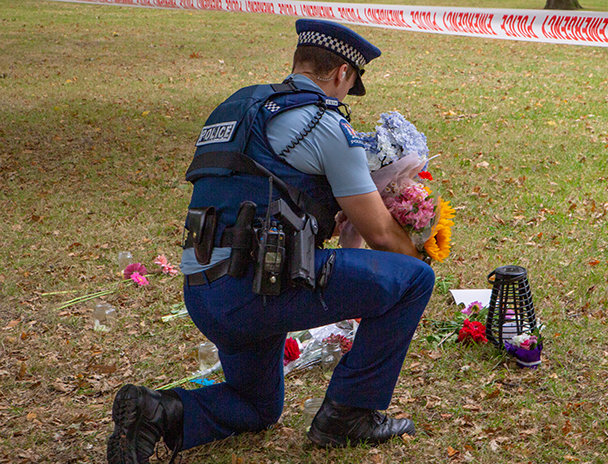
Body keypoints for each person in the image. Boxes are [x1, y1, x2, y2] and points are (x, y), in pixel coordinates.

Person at [106, 19, 435, 464]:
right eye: (350, 83)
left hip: (207, 294)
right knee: (414, 280)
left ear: (298, 62)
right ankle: (349, 414)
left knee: (257, 406)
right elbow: (381, 233)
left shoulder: (237, 109)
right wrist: (419, 251)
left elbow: (258, 196)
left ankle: (156, 412)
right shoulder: (324, 123)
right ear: (342, 73)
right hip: (261, 290)